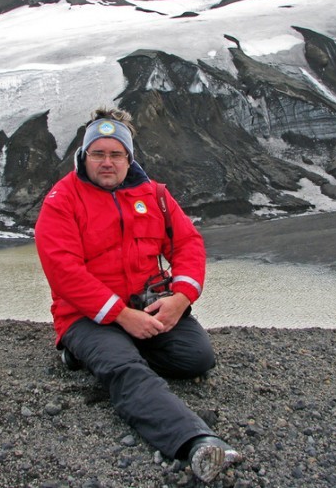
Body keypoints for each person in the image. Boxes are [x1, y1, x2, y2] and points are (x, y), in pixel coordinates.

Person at [34, 107, 240, 483]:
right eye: (98, 153)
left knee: (196, 358)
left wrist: (179, 299)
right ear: (84, 156)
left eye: (116, 154)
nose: (107, 162)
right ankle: (195, 442)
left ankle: (98, 359)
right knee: (126, 369)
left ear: (129, 158)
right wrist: (122, 316)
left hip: (146, 303)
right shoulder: (62, 200)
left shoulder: (155, 195)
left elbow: (188, 245)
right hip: (86, 315)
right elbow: (64, 272)